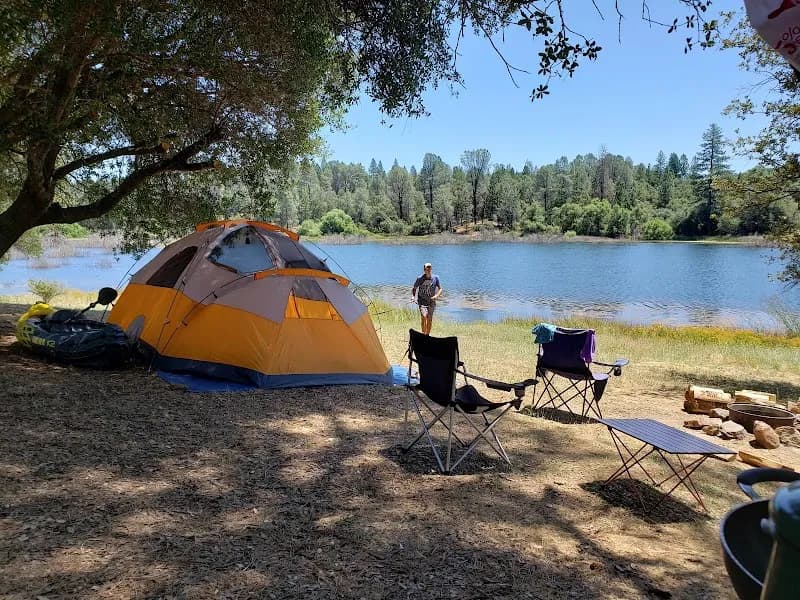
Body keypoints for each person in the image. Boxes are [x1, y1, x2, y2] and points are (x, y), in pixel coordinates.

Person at [411, 262, 442, 335]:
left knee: (429, 319)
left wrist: (436, 296)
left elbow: (440, 289)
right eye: (427, 268)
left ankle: (427, 335)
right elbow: (414, 288)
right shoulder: (420, 278)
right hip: (422, 301)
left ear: (431, 269)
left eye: (429, 268)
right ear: (424, 270)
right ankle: (423, 334)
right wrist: (413, 297)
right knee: (424, 317)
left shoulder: (436, 278)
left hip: (431, 302)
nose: (428, 269)